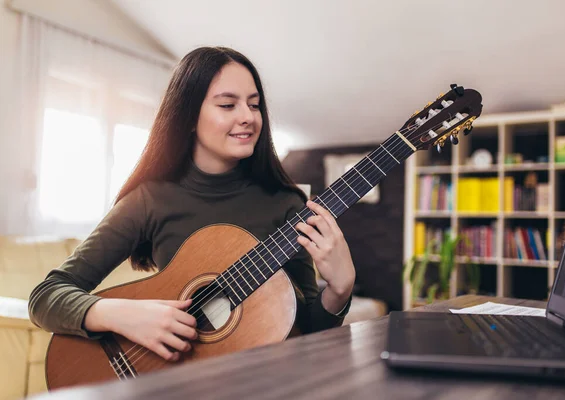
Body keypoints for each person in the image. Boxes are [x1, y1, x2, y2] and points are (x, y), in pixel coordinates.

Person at [28, 46, 356, 362]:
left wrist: (340, 289)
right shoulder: (149, 200)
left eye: (254, 105)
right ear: (188, 117)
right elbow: (46, 297)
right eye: (228, 105)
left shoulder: (286, 203)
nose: (248, 117)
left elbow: (309, 333)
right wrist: (122, 315)